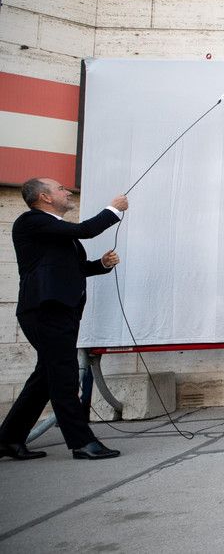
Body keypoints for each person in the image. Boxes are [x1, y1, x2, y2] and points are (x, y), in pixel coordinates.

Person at [0, 178, 127, 461]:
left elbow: (70, 268)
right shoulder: (31, 221)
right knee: (63, 375)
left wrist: (101, 265)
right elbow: (86, 230)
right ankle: (82, 443)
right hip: (45, 309)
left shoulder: (51, 230)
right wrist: (114, 209)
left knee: (46, 377)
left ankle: (9, 439)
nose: (67, 191)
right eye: (60, 188)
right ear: (44, 197)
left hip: (57, 310)